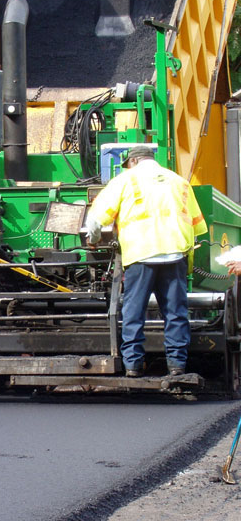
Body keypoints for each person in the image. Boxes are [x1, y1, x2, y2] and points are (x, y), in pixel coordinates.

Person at [84, 146, 207, 377]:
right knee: (175, 312)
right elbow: (197, 226)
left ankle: (133, 365)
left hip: (141, 255)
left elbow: (95, 219)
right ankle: (177, 365)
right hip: (175, 254)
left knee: (134, 311)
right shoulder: (179, 181)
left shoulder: (124, 180)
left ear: (132, 161)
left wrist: (94, 239)